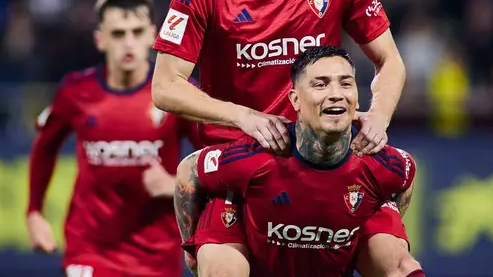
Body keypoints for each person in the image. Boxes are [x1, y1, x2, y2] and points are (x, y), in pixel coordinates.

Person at [151, 0, 408, 275]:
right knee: (220, 268)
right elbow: (165, 86)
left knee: (398, 264)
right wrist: (244, 118)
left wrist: (379, 115)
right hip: (238, 167)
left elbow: (390, 61)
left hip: (326, 161)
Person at [174, 46, 423, 277]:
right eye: (321, 85)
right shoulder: (258, 156)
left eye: (345, 84)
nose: (336, 94)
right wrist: (190, 246)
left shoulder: (381, 162)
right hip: (249, 247)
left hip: (331, 258)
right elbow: (189, 170)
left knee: (402, 268)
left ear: (357, 98)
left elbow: (406, 177)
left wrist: (379, 226)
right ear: (295, 100)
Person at [27, 0, 195, 277]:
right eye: (118, 34)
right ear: (100, 40)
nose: (128, 43)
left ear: (153, 36)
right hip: (90, 248)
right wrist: (34, 212)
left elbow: (216, 160)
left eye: (137, 32)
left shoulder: (176, 93)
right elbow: (45, 147)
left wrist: (177, 186)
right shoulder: (75, 92)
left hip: (156, 254)